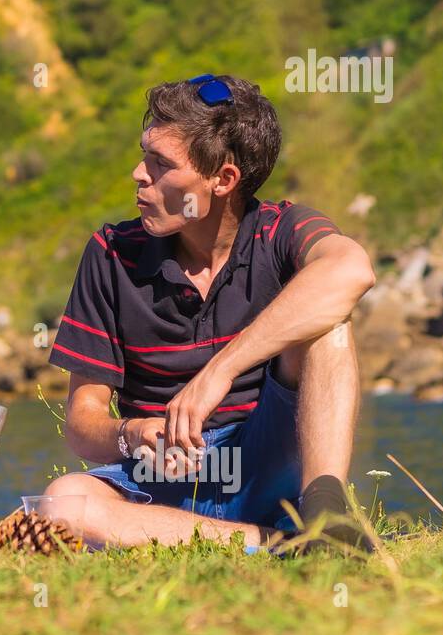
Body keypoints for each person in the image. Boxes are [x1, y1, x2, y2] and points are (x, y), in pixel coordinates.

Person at [42, 74, 376, 553]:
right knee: (64, 502)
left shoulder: (282, 231)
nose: (139, 174)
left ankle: (326, 511)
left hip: (268, 464)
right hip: (159, 485)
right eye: (144, 156)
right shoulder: (111, 253)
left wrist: (219, 371)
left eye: (160, 164)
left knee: (329, 322)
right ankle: (283, 544)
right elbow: (82, 423)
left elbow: (351, 269)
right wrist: (129, 434)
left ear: (222, 180)